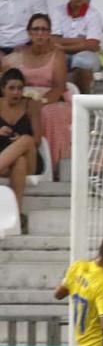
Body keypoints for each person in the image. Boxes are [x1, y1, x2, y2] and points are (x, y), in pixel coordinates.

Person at [3, 14, 68, 175]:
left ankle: (54, 167)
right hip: (22, 98)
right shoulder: (20, 53)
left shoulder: (57, 55)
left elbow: (59, 87)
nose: (40, 33)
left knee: (46, 113)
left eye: (44, 29)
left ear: (49, 33)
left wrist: (42, 102)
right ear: (29, 33)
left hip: (52, 100)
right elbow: (5, 72)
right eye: (36, 29)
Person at [0, 68, 41, 234]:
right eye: (12, 88)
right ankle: (16, 215)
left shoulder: (31, 105)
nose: (16, 92)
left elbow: (37, 138)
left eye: (20, 88)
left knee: (26, 139)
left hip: (31, 156)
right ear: (3, 89)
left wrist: (19, 141)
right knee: (19, 161)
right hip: (7, 163)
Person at [50, 0, 103, 94]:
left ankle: (85, 101)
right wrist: (82, 40)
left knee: (82, 62)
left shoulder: (94, 14)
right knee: (54, 61)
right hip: (63, 52)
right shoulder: (58, 11)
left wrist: (64, 47)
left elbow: (92, 45)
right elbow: (53, 40)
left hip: (84, 52)